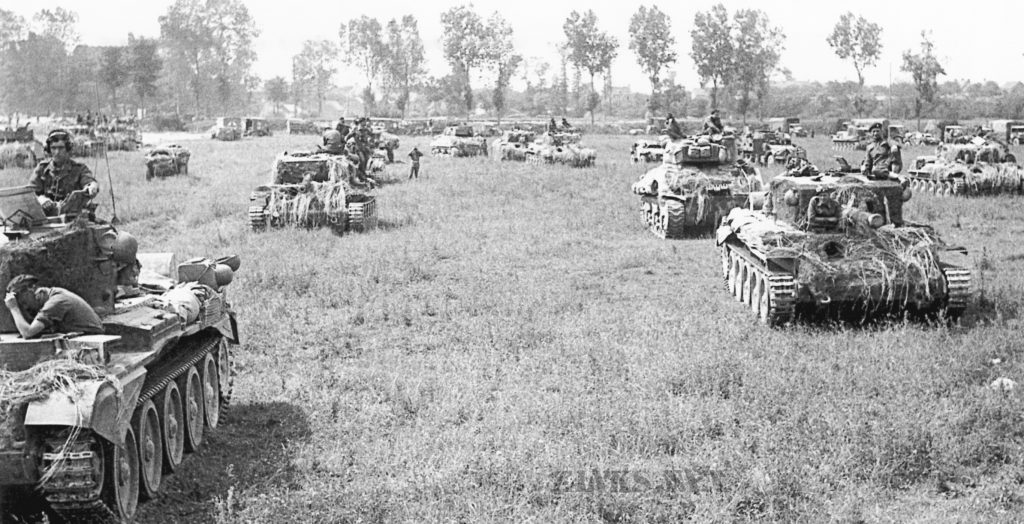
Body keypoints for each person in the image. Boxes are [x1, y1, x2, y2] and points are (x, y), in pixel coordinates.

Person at [4, 275, 104, 339]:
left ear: (32, 289)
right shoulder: (52, 294)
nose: (25, 307)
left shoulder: (56, 301)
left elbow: (27, 332)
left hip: (92, 339)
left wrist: (14, 308)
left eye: (24, 302)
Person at [30, 129, 99, 216]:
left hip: (73, 217)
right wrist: (40, 199)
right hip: (46, 219)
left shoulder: (79, 169)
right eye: (53, 148)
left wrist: (92, 187)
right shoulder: (42, 169)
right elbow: (29, 193)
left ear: (68, 149)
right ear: (48, 149)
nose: (57, 152)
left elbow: (89, 181)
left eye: (61, 148)